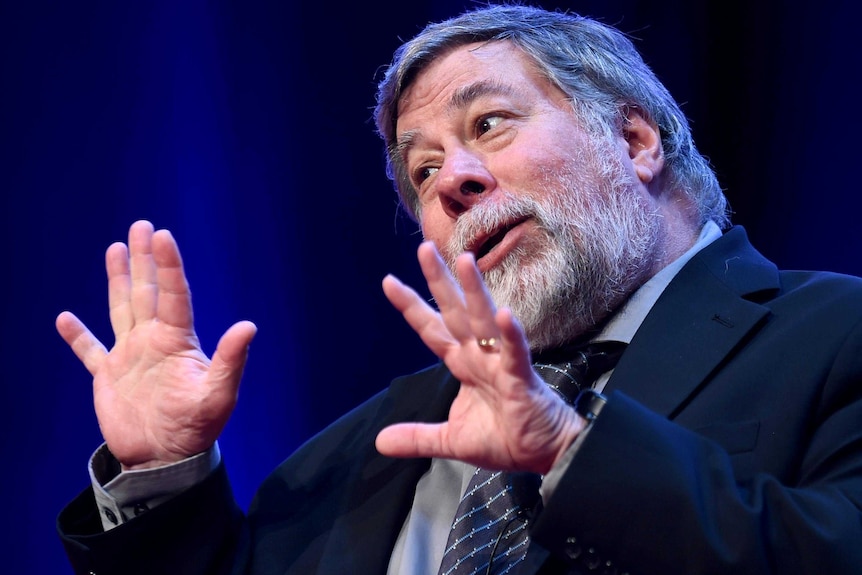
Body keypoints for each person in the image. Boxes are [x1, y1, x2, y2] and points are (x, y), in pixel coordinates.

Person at [55, 4, 862, 575]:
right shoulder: (372, 446)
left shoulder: (836, 336)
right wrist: (165, 473)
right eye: (424, 170)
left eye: (488, 125)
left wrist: (568, 451)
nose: (452, 183)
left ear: (635, 138)